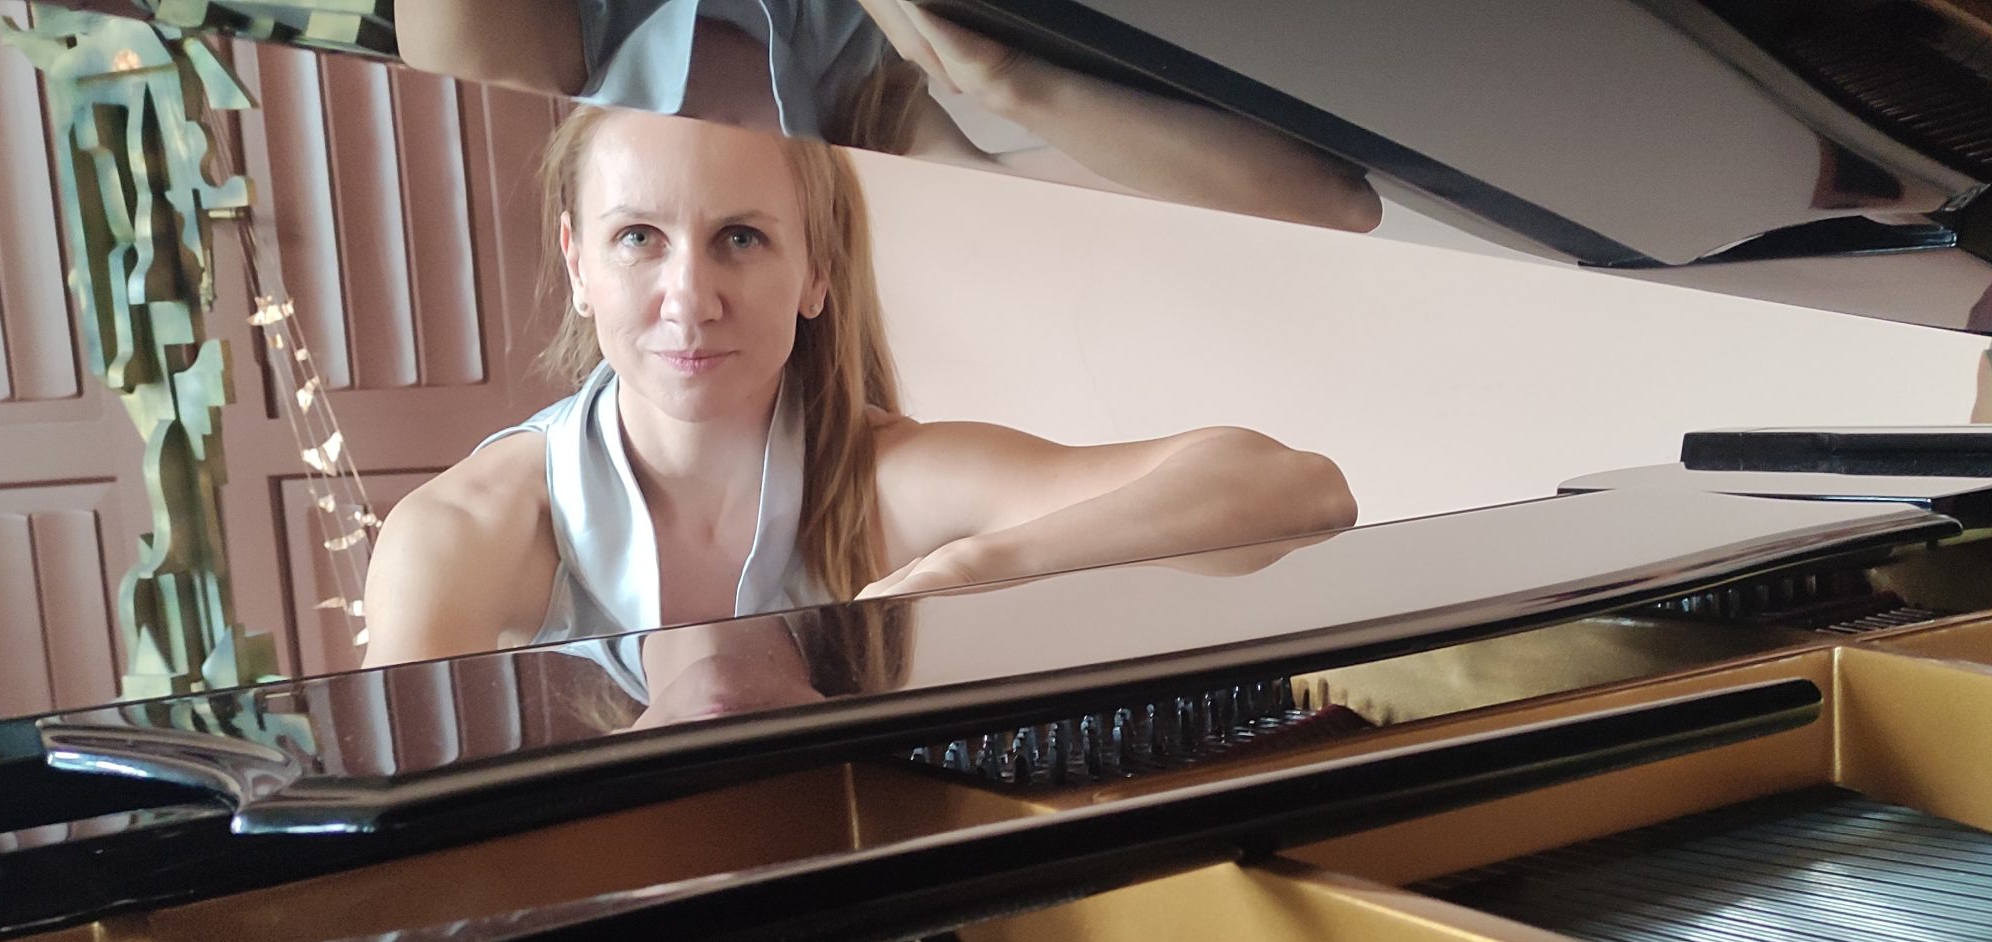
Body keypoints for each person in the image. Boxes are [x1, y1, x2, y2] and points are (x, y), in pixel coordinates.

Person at [360, 106, 1354, 667]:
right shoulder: (456, 534)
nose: (689, 299)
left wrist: (976, 567)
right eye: (638, 238)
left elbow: (1298, 490)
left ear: (816, 271)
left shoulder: (885, 477)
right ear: (578, 264)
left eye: (739, 237)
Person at [394, 0, 1381, 232]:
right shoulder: (864, 108)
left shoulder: (490, 53)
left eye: (640, 238)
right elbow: (1338, 202)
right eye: (742, 238)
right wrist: (1003, 81)